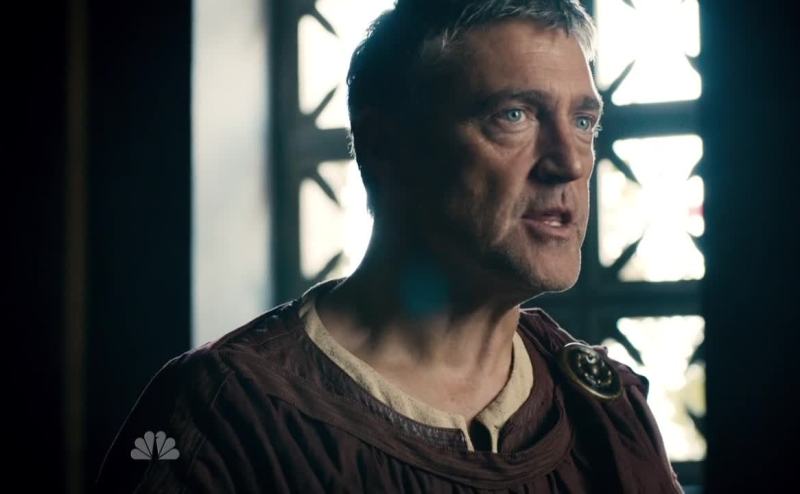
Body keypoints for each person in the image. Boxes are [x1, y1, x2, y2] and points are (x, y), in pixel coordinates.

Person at [97, 0, 683, 492]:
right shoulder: (224, 416)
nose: (570, 162)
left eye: (583, 122)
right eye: (514, 114)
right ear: (385, 146)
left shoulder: (604, 410)